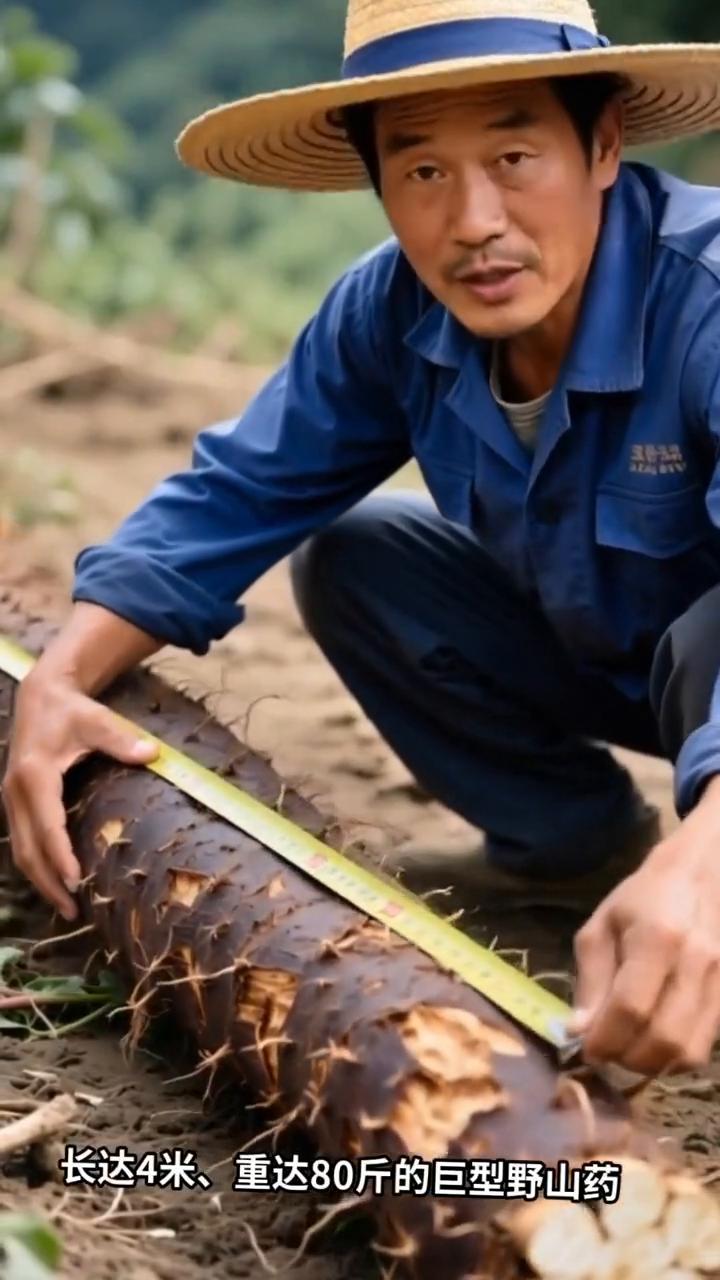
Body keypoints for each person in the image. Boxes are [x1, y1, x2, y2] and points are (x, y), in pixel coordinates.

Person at [5, 0, 720, 1077]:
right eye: (423, 170)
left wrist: (707, 863)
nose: (474, 220)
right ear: (378, 183)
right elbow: (234, 493)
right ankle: (571, 848)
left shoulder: (706, 297)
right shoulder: (389, 313)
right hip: (615, 654)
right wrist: (58, 680)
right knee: (360, 554)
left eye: (515, 157)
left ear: (604, 144)